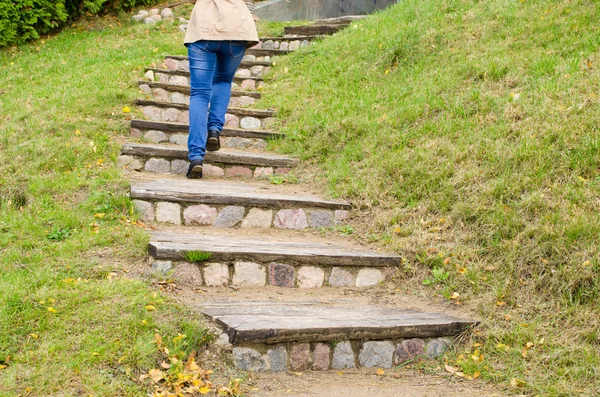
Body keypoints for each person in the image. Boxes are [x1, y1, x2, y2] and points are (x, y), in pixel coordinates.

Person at [184, 0, 259, 178]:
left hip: (204, 29)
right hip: (236, 28)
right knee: (223, 81)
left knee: (200, 94)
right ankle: (214, 130)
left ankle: (196, 157)